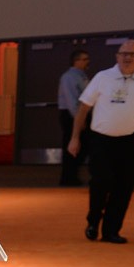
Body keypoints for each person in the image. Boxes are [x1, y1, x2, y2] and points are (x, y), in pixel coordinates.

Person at [67, 39, 134, 244]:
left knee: (124, 186)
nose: (128, 57)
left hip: (131, 140)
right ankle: (93, 220)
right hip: (101, 140)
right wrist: (75, 137)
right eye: (124, 54)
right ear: (117, 56)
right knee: (101, 181)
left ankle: (111, 230)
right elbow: (83, 108)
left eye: (133, 54)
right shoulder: (103, 77)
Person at [57, 49, 91, 186]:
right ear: (76, 61)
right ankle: (68, 178)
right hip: (72, 115)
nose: (88, 62)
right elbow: (72, 100)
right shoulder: (69, 77)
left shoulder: (82, 76)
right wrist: (79, 119)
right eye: (84, 59)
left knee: (84, 146)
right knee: (72, 145)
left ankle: (72, 175)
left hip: (80, 114)